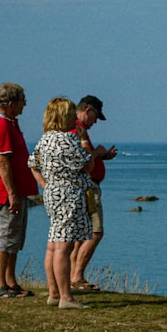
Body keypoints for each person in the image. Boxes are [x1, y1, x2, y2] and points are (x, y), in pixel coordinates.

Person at [28, 97, 95, 309]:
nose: (74, 117)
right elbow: (87, 166)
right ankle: (66, 297)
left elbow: (32, 163)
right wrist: (86, 144)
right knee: (64, 247)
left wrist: (44, 184)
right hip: (69, 194)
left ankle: (54, 293)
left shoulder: (45, 139)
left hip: (53, 193)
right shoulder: (68, 140)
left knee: (53, 244)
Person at [0, 83, 39, 299]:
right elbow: (2, 162)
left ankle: (10, 282)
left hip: (17, 190)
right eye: (21, 101)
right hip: (6, 192)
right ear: (10, 104)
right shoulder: (1, 125)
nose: (24, 105)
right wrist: (11, 194)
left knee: (14, 239)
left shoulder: (10, 123)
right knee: (6, 237)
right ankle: (0, 285)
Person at [69, 95, 118, 291]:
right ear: (88, 110)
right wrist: (97, 153)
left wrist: (102, 157)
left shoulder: (80, 130)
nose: (95, 122)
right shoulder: (77, 130)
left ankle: (74, 276)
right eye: (95, 116)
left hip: (88, 185)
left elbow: (86, 159)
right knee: (96, 232)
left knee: (81, 234)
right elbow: (83, 160)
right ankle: (77, 275)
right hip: (88, 186)